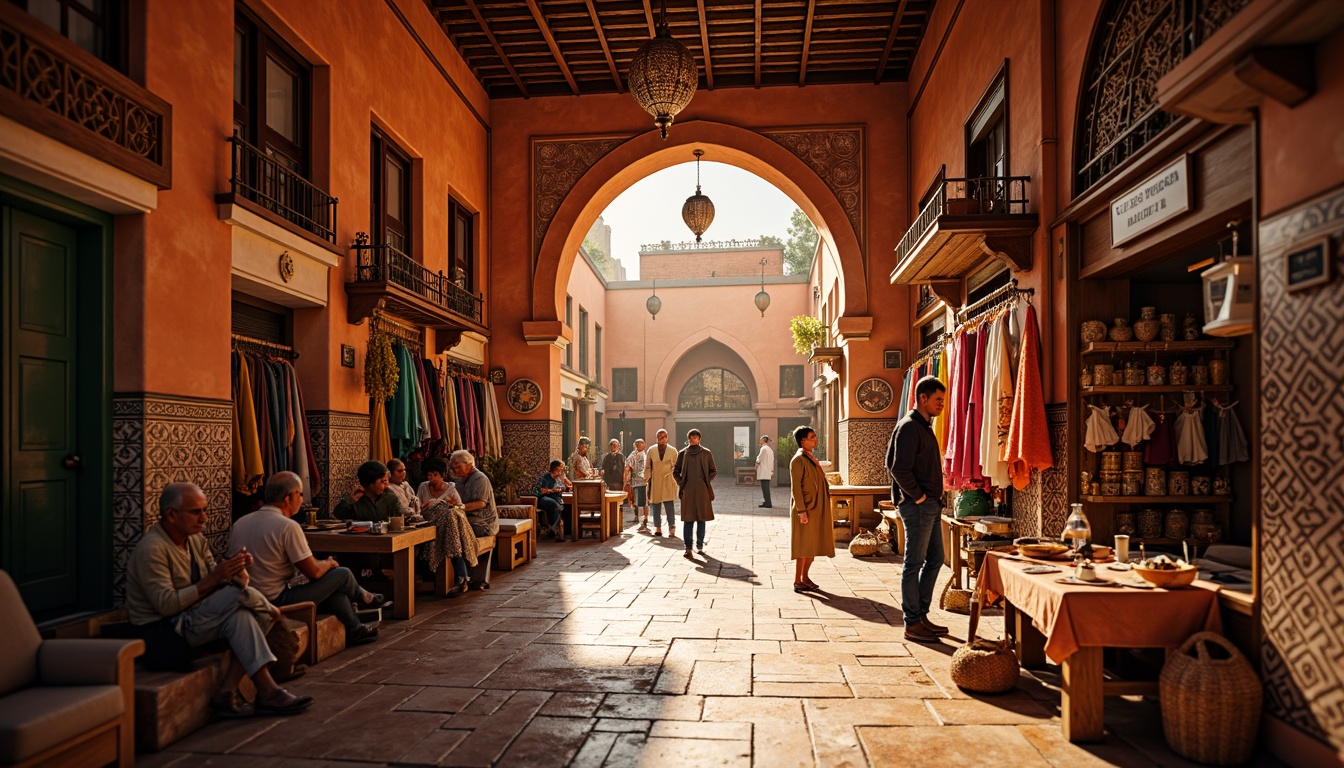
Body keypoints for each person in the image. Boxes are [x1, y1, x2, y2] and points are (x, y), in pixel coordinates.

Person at [127, 482, 313, 718]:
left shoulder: (195, 540)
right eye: (196, 512)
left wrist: (238, 576)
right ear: (171, 515)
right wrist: (220, 581)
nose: (204, 518)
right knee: (251, 606)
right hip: (161, 637)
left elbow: (216, 583)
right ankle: (267, 685)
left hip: (193, 621)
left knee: (243, 615)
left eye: (205, 510)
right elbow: (166, 605)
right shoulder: (152, 549)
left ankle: (242, 692)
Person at [229, 472, 383, 647]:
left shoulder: (240, 523)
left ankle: (355, 628)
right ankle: (363, 597)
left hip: (244, 597)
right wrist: (329, 563)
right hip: (275, 599)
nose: (302, 500)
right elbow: (314, 572)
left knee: (335, 589)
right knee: (342, 574)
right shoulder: (287, 526)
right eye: (300, 494)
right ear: (288, 498)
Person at [886, 375, 949, 643]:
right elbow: (897, 467)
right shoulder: (910, 426)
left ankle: (921, 616)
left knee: (935, 559)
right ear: (922, 398)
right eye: (938, 400)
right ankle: (912, 622)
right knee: (914, 563)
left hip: (930, 506)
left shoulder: (923, 426)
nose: (942, 405)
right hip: (919, 507)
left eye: (943, 401)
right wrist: (920, 498)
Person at [788, 426, 835, 592]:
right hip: (806, 508)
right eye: (812, 437)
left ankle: (805, 577)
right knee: (803, 546)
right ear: (803, 440)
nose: (815, 439)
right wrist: (802, 510)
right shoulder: (798, 460)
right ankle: (797, 580)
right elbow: (796, 488)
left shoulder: (810, 457)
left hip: (815, 508)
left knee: (812, 545)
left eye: (815, 436)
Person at [449, 449, 499, 593]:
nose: (455, 469)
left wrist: (460, 507)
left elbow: (481, 503)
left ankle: (468, 577)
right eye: (453, 467)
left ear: (469, 464)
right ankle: (461, 575)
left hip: (484, 523)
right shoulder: (458, 480)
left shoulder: (480, 479)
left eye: (458, 466)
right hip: (467, 519)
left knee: (458, 530)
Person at [673, 428, 716, 558]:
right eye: (691, 437)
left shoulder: (706, 453)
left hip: (702, 491)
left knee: (701, 519)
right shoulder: (683, 453)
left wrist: (705, 481)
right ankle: (688, 547)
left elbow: (713, 470)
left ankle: (700, 545)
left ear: (699, 439)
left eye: (696, 437)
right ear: (688, 439)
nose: (693, 439)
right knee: (688, 519)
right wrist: (682, 483)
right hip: (688, 490)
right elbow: (676, 471)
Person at [333, 460, 402, 522]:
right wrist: (350, 500)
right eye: (383, 482)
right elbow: (337, 515)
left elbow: (398, 519)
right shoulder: (356, 499)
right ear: (369, 482)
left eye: (387, 481)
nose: (387, 485)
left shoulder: (390, 496)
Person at [646, 429, 678, 537]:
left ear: (667, 437)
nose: (662, 439)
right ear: (657, 438)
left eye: (664, 436)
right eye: (660, 437)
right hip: (655, 480)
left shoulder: (673, 451)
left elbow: (676, 467)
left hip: (668, 479)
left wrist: (674, 479)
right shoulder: (651, 450)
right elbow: (647, 466)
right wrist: (647, 479)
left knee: (669, 504)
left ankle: (671, 526)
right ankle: (658, 527)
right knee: (656, 504)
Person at [534, 460, 571, 542]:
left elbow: (569, 485)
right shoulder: (546, 478)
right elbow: (541, 490)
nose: (562, 470)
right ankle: (553, 529)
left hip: (557, 497)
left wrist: (565, 481)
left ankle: (567, 530)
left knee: (567, 505)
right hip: (544, 498)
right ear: (556, 468)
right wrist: (554, 490)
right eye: (561, 468)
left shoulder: (560, 478)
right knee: (554, 505)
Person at [600, 438, 629, 523]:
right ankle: (611, 516)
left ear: (618, 446)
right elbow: (603, 467)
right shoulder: (607, 457)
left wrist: (625, 479)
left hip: (618, 480)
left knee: (619, 500)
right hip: (610, 481)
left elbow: (624, 468)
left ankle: (618, 517)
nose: (614, 447)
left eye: (616, 445)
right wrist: (603, 471)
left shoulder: (621, 456)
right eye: (612, 445)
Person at [627, 438, 649, 532]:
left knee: (646, 503)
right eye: (637, 444)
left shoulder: (646, 454)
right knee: (640, 503)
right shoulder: (633, 455)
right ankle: (641, 522)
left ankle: (646, 520)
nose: (639, 445)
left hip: (646, 482)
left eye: (641, 443)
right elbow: (628, 466)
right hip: (638, 482)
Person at [755, 435, 775, 508]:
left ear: (764, 440)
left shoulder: (764, 449)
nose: (759, 441)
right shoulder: (770, 449)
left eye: (761, 440)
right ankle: (767, 501)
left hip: (764, 470)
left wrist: (756, 463)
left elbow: (759, 458)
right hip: (768, 470)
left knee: (765, 488)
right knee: (766, 487)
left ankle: (768, 502)